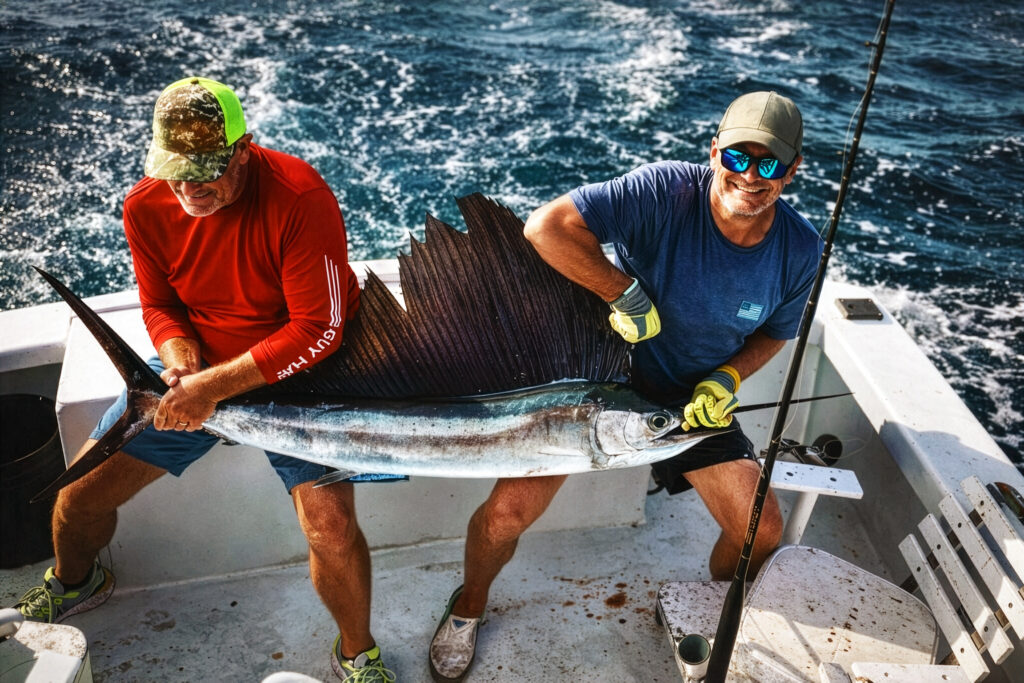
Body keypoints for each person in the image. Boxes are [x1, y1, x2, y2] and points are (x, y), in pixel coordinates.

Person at [428, 90, 823, 681]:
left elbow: (776, 332)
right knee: (505, 515)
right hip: (601, 383)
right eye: (738, 157)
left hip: (689, 400)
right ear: (714, 151)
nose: (750, 176)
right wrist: (624, 294)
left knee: (760, 531)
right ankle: (468, 606)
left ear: (792, 171)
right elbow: (547, 228)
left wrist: (726, 377)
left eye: (770, 165)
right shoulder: (664, 190)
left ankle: (712, 612)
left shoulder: (801, 248)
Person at [13, 77, 393, 682]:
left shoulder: (299, 196)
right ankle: (76, 581)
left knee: (331, 526)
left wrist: (209, 389)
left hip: (302, 382)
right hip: (200, 382)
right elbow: (160, 303)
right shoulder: (145, 204)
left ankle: (358, 654)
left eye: (205, 173)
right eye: (176, 173)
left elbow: (319, 330)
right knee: (77, 497)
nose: (189, 190)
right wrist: (181, 359)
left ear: (244, 149)